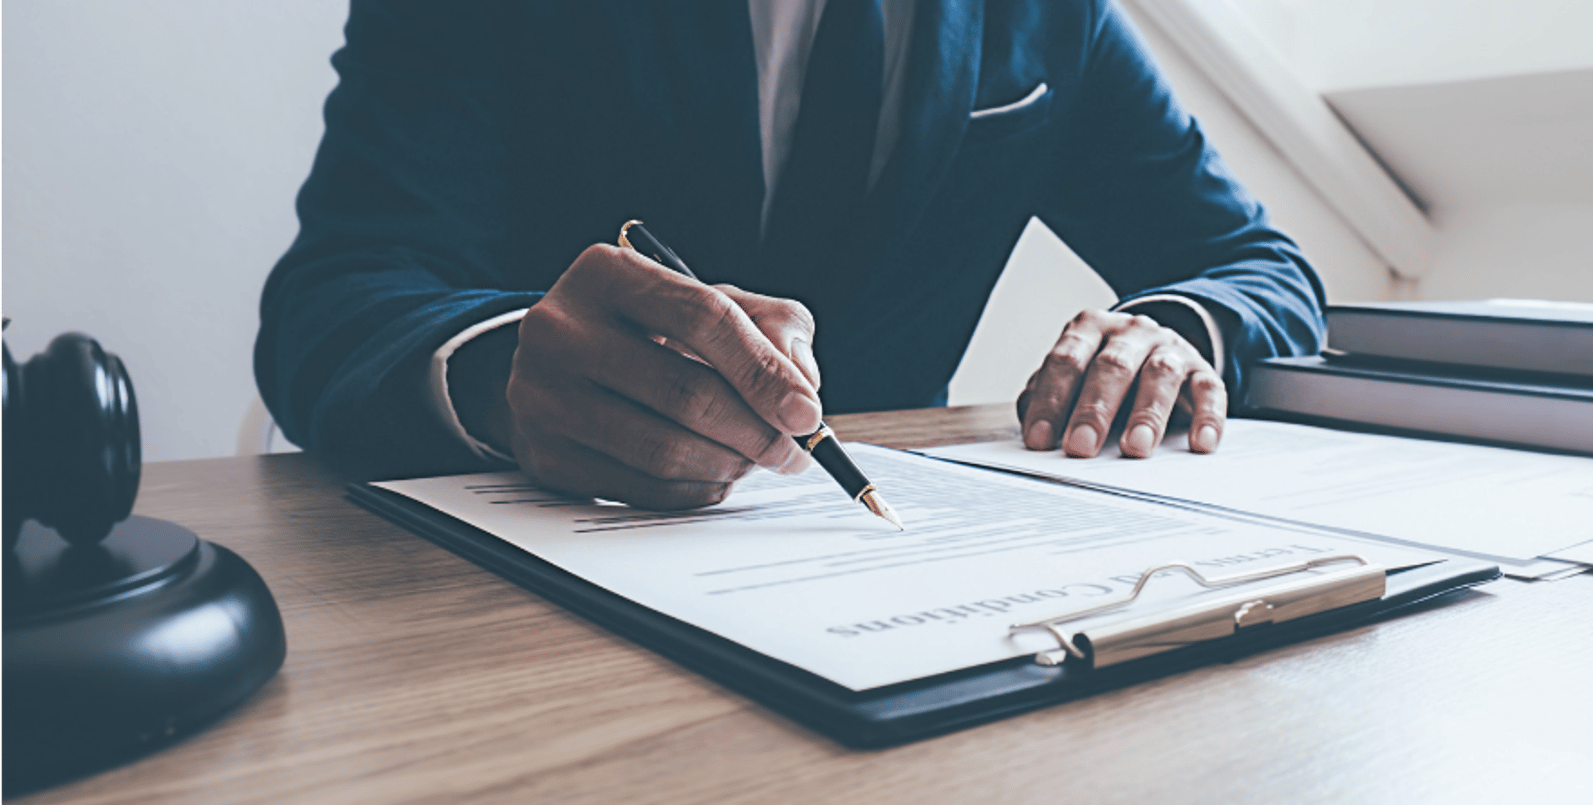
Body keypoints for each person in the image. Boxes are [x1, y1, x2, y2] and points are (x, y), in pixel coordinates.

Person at [255, 0, 1327, 509]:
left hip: (903, 607)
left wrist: (1181, 329)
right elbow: (331, 301)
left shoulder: (1055, 20)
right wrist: (496, 372)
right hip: (527, 597)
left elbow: (1259, 264)